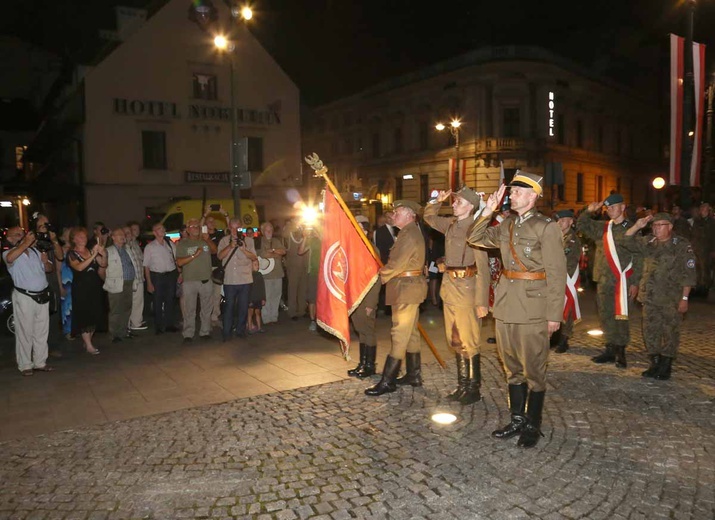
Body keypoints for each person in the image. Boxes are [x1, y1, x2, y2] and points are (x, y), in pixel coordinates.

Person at [467, 172, 566, 448]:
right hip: (506, 304)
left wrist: (553, 315)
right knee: (511, 368)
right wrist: (488, 210)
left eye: (518, 192)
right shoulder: (507, 223)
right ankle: (517, 419)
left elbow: (557, 274)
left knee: (534, 369)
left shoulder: (546, 227)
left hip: (534, 307)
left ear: (533, 196)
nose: (511, 195)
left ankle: (533, 424)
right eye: (511, 192)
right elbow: (475, 237)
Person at [423, 187, 490, 404]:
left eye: (458, 202)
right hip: (450, 289)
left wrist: (482, 302)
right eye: (454, 202)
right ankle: (462, 385)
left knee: (469, 340)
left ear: (471, 206)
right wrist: (436, 200)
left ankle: (473, 388)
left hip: (468, 291)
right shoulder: (451, 224)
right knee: (455, 340)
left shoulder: (475, 228)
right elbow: (429, 217)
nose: (454, 204)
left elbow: (483, 267)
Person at [365, 200, 427, 396]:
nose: (394, 214)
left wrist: (379, 275)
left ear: (409, 215)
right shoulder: (408, 232)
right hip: (408, 288)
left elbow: (397, 263)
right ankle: (413, 374)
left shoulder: (408, 234)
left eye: (398, 211)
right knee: (411, 334)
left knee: (399, 333)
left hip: (406, 290)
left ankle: (388, 381)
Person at [625, 213, 696, 380]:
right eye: (654, 225)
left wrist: (684, 299)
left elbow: (689, 275)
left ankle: (666, 365)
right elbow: (626, 241)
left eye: (660, 225)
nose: (656, 228)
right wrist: (637, 226)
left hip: (671, 299)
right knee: (650, 331)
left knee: (670, 332)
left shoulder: (681, 246)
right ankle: (654, 362)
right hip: (649, 297)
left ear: (670, 227)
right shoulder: (648, 243)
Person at [576, 193, 642, 368]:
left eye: (614, 207)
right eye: (608, 208)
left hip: (623, 281)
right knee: (605, 315)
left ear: (622, 207)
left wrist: (635, 282)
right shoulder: (604, 228)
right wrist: (588, 211)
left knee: (621, 316)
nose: (611, 210)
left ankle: (620, 351)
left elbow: (639, 256)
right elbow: (581, 225)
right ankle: (610, 348)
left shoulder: (632, 228)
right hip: (604, 280)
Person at [2, 226, 55, 376]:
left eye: (23, 233)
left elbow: (49, 269)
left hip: (42, 294)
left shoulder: (34, 251)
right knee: (25, 331)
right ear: (10, 238)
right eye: (17, 234)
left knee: (41, 331)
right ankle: (25, 364)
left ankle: (40, 362)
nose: (22, 235)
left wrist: (45, 262)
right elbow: (10, 259)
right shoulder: (9, 253)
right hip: (24, 296)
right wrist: (25, 242)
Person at [346, 215, 381, 378]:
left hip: (366, 298)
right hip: (355, 298)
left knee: (368, 330)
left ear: (365, 231)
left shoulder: (371, 250)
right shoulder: (353, 250)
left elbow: (377, 279)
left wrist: (371, 303)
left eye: (358, 227)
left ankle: (369, 365)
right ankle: (362, 363)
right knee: (360, 330)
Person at [175, 218, 217, 342]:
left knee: (206, 308)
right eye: (192, 226)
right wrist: (194, 255)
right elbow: (180, 262)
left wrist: (207, 239)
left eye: (197, 226)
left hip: (205, 280)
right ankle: (188, 334)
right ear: (187, 229)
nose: (195, 228)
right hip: (190, 281)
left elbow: (215, 251)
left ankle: (204, 331)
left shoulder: (204, 241)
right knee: (189, 309)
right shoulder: (183, 243)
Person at [217, 218, 257, 341]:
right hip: (230, 279)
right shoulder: (224, 240)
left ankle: (240, 330)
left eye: (237, 228)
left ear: (241, 227)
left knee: (243, 306)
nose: (235, 231)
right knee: (229, 307)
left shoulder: (249, 240)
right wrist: (230, 246)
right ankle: (226, 332)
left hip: (245, 278)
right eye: (232, 228)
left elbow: (254, 256)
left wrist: (243, 249)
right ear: (229, 227)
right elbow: (219, 256)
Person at [68, 226, 106, 354]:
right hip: (81, 289)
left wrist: (102, 253)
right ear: (74, 239)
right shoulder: (72, 253)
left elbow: (103, 264)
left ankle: (88, 341)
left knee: (95, 314)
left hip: (94, 286)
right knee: (84, 315)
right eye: (79, 236)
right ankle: (89, 345)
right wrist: (93, 255)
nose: (82, 238)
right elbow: (79, 267)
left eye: (84, 236)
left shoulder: (90, 250)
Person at [32, 214, 65, 358]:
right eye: (42, 225)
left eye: (47, 224)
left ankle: (53, 346)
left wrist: (54, 240)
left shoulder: (51, 240)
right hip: (36, 283)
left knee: (53, 315)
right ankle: (37, 349)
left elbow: (60, 256)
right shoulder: (32, 241)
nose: (45, 227)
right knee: (37, 319)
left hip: (51, 282)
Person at [551, 209, 582, 354]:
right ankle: (554, 336)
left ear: (570, 222)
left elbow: (568, 259)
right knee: (554, 307)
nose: (560, 223)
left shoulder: (573, 239)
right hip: (554, 277)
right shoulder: (555, 236)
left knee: (567, 307)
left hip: (567, 277)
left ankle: (564, 338)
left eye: (563, 220)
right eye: (558, 220)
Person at [143, 223, 179, 335]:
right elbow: (146, 266)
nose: (162, 230)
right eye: (159, 229)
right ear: (154, 232)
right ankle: (158, 326)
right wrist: (149, 282)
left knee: (170, 300)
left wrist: (179, 273)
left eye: (163, 228)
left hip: (171, 275)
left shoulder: (170, 244)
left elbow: (176, 259)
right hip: (157, 276)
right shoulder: (150, 247)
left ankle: (169, 324)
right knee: (157, 301)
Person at [103, 228, 137, 343]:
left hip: (128, 282)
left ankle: (123, 332)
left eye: (123, 234)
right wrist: (107, 281)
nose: (123, 236)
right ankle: (114, 334)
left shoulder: (127, 249)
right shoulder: (108, 251)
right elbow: (103, 269)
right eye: (119, 235)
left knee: (126, 308)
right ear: (113, 237)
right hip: (116, 284)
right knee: (116, 310)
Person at [201, 207, 229, 325]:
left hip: (217, 268)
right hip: (206, 267)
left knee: (216, 294)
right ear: (206, 224)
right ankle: (205, 317)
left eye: (213, 221)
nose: (212, 223)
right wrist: (205, 214)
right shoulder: (203, 236)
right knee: (206, 294)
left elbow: (231, 228)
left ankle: (214, 317)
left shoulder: (220, 234)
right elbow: (198, 225)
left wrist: (225, 214)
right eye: (209, 221)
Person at [256, 221, 286, 324]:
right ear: (263, 231)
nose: (270, 232)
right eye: (268, 230)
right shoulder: (259, 241)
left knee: (276, 295)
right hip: (266, 275)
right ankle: (266, 318)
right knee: (267, 297)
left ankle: (274, 317)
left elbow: (283, 251)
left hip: (278, 273)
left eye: (271, 230)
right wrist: (276, 254)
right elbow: (262, 254)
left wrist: (272, 250)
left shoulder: (276, 240)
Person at [298, 224, 322, 331]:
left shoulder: (326, 239)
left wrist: (320, 235)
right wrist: (304, 237)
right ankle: (313, 321)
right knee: (312, 298)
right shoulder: (311, 241)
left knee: (323, 298)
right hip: (312, 273)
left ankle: (322, 320)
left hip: (324, 273)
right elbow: (300, 251)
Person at [123, 224, 147, 331]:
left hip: (139, 277)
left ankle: (136, 322)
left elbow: (140, 259)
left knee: (138, 301)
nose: (130, 234)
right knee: (129, 302)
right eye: (127, 232)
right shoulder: (122, 247)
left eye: (130, 232)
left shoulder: (134, 244)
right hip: (130, 279)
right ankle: (128, 324)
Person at [283, 221, 308, 320]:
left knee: (303, 289)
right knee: (292, 289)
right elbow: (284, 234)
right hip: (293, 266)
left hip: (304, 266)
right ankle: (292, 312)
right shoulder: (289, 232)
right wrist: (292, 224)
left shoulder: (305, 231)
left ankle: (301, 310)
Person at [690, 202, 715, 298]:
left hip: (706, 249)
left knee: (705, 269)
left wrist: (713, 250)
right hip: (697, 248)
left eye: (704, 209)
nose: (702, 211)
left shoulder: (711, 222)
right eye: (701, 209)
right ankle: (698, 287)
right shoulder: (697, 221)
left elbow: (713, 237)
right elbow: (693, 234)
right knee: (697, 268)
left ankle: (705, 288)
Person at [59, 227, 74, 339]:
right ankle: (68, 331)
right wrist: (60, 286)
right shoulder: (61, 250)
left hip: (75, 281)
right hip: (66, 281)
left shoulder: (76, 249)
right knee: (67, 307)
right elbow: (58, 270)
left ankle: (76, 329)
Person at [247, 258, 266, 334]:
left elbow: (262, 287)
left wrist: (263, 298)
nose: (257, 266)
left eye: (258, 264)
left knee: (258, 313)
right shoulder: (248, 276)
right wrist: (248, 300)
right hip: (251, 298)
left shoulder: (259, 275)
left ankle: (259, 327)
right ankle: (250, 328)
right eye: (255, 265)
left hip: (258, 298)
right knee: (250, 313)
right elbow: (247, 289)